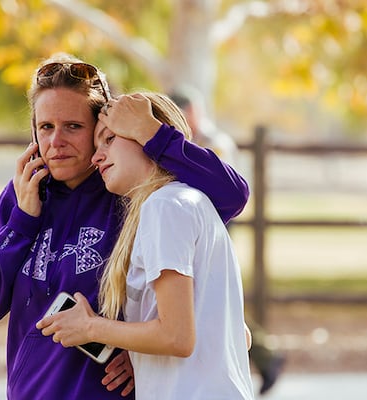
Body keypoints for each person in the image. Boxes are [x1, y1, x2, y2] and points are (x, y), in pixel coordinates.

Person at [0, 53, 250, 400]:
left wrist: (153, 136)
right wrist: (23, 220)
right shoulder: (23, 193)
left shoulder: (127, 192)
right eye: (45, 127)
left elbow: (233, 195)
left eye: (73, 126)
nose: (56, 142)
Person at [36, 92, 256, 399]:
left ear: (145, 137)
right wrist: (139, 349)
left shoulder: (164, 206)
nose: (96, 156)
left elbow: (177, 337)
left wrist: (90, 328)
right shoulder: (188, 202)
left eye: (109, 139)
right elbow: (238, 337)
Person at [170, 86, 286, 395]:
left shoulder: (213, 143)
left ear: (193, 112)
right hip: (190, 226)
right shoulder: (189, 142)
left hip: (214, 226)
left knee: (210, 295)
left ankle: (262, 355)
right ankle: (266, 356)